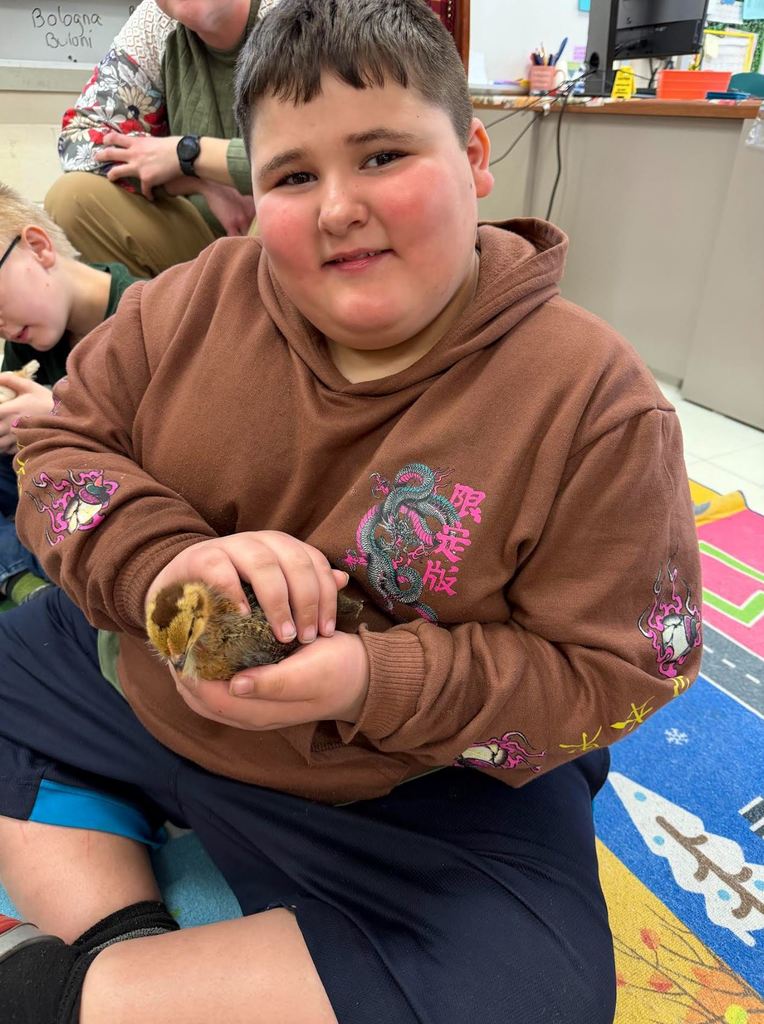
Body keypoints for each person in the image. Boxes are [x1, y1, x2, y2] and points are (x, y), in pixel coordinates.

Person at [0, 1, 703, 1021]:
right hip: (149, 687)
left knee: (534, 993)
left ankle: (69, 985)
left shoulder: (593, 403)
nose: (336, 207)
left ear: (472, 157)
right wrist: (168, 564)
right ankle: (126, 952)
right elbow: (64, 446)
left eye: (381, 155)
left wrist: (370, 678)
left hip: (404, 784)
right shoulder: (196, 298)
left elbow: (617, 671)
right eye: (292, 175)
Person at [44, 0, 277, 278]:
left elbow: (316, 157)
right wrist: (196, 178)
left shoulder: (306, 13)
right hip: (204, 233)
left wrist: (193, 154)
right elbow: (77, 140)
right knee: (73, 199)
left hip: (295, 230)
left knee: (277, 208)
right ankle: (163, 316)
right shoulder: (155, 23)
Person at [0, 183, 138, 607]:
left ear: (39, 248)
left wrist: (58, 415)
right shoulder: (28, 339)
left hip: (118, 504)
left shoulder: (152, 317)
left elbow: (180, 458)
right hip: (49, 495)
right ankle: (23, 579)